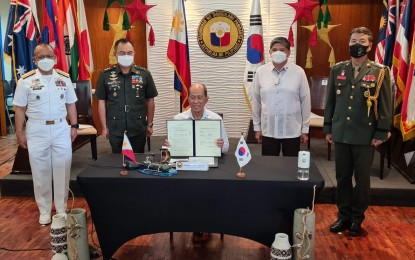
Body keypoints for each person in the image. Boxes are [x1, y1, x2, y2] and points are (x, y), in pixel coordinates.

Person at [323, 27, 392, 237]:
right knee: (342, 177)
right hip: (341, 133)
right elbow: (331, 102)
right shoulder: (338, 69)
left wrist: (381, 132)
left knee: (362, 180)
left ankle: (356, 219)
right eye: (353, 41)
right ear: (348, 44)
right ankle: (343, 216)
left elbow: (385, 105)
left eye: (362, 41)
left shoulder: (380, 71)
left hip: (365, 136)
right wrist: (328, 128)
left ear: (370, 46)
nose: (357, 45)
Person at [14, 43, 78, 225]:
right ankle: (44, 210)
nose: (45, 60)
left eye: (49, 56)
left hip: (60, 128)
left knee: (62, 167)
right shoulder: (26, 81)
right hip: (37, 129)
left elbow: (71, 104)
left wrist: (74, 126)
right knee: (40, 171)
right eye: (40, 57)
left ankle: (61, 208)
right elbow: (20, 109)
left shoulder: (64, 79)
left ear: (56, 58)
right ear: (34, 60)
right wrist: (19, 132)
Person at [96, 38, 158, 153]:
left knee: (138, 162)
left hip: (138, 127)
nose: (126, 56)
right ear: (115, 54)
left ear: (134, 53)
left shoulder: (144, 74)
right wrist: (104, 127)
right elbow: (101, 102)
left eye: (129, 53)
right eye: (122, 53)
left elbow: (150, 100)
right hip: (116, 128)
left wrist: (149, 124)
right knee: (117, 162)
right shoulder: (105, 75)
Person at [252, 36, 311, 156]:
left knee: (290, 167)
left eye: (282, 50)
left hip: (291, 130)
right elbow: (256, 101)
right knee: (269, 167)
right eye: (274, 49)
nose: (277, 52)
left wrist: (305, 129)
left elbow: (305, 101)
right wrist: (257, 127)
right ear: (269, 52)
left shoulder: (298, 72)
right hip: (269, 129)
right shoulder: (261, 72)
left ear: (288, 52)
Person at [166, 83, 229, 154]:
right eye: (192, 97)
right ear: (188, 99)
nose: (196, 101)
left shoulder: (216, 119)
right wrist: (170, 146)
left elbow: (226, 147)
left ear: (206, 100)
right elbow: (171, 148)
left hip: (209, 158)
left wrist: (221, 145)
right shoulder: (178, 119)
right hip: (185, 159)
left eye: (199, 98)